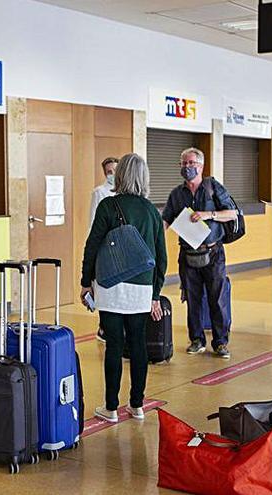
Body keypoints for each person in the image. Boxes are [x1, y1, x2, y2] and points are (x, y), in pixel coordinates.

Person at [81, 153, 166, 422]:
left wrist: (86, 282)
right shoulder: (152, 211)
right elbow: (161, 258)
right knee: (138, 344)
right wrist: (155, 294)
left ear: (119, 176)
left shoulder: (108, 206)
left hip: (111, 285)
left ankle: (111, 408)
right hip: (141, 289)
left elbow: (92, 246)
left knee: (114, 346)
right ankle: (137, 405)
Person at [161, 147, 238, 359]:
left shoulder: (213, 188)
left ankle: (221, 342)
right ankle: (196, 339)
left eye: (191, 163)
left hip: (213, 253)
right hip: (187, 254)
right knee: (192, 299)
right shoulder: (177, 194)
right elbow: (166, 220)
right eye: (184, 164)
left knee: (217, 298)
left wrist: (208, 214)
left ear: (201, 166)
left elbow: (232, 213)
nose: (187, 167)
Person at [89, 156, 119, 343]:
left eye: (115, 171)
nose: (112, 175)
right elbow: (93, 222)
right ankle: (104, 327)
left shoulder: (125, 192)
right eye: (109, 172)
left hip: (122, 247)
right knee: (105, 288)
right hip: (106, 247)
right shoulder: (99, 192)